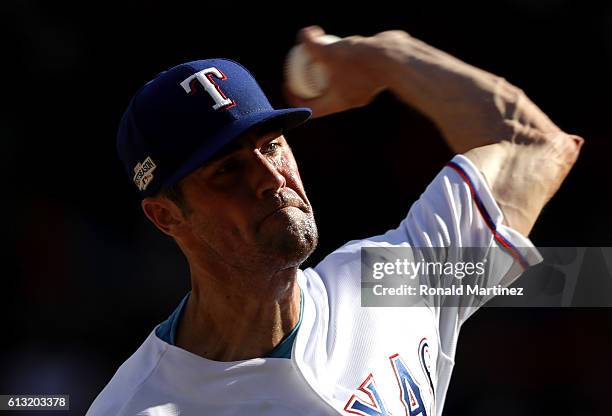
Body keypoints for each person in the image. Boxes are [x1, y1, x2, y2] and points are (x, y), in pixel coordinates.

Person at [87, 26, 582, 416]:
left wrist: (389, 56)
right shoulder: (139, 405)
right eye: (227, 170)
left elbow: (533, 145)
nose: (269, 177)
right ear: (166, 215)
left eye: (271, 145)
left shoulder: (390, 280)